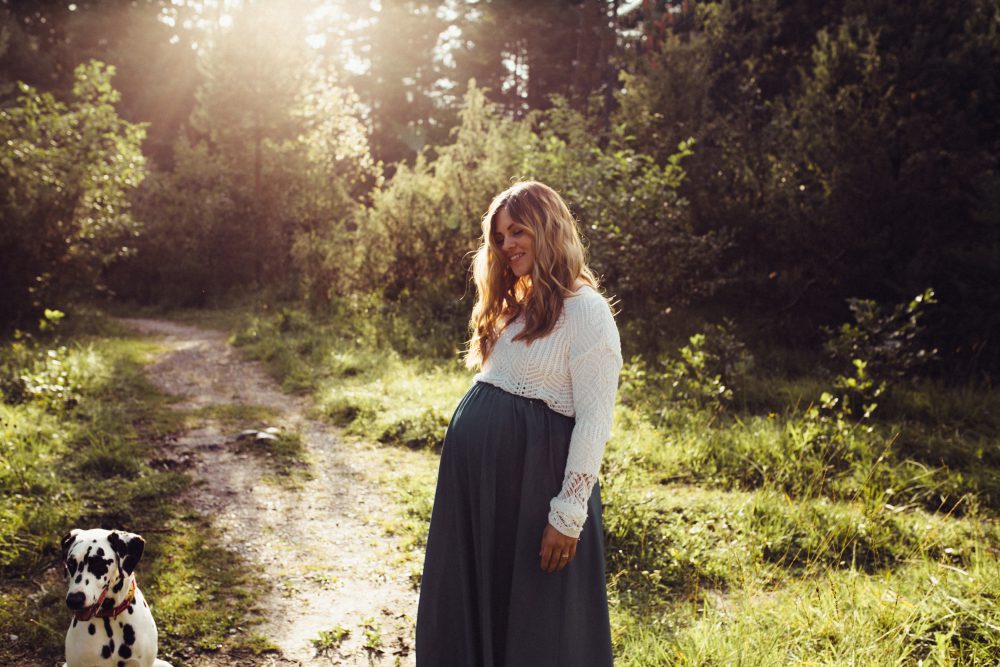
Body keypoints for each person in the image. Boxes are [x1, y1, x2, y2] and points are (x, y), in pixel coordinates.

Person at [416, 181, 622, 665]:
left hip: (532, 491)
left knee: (536, 624)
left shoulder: (588, 311)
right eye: (500, 236)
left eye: (517, 231)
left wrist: (568, 514)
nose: (506, 245)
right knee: (476, 603)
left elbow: (595, 420)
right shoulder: (522, 303)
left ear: (548, 229)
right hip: (484, 490)